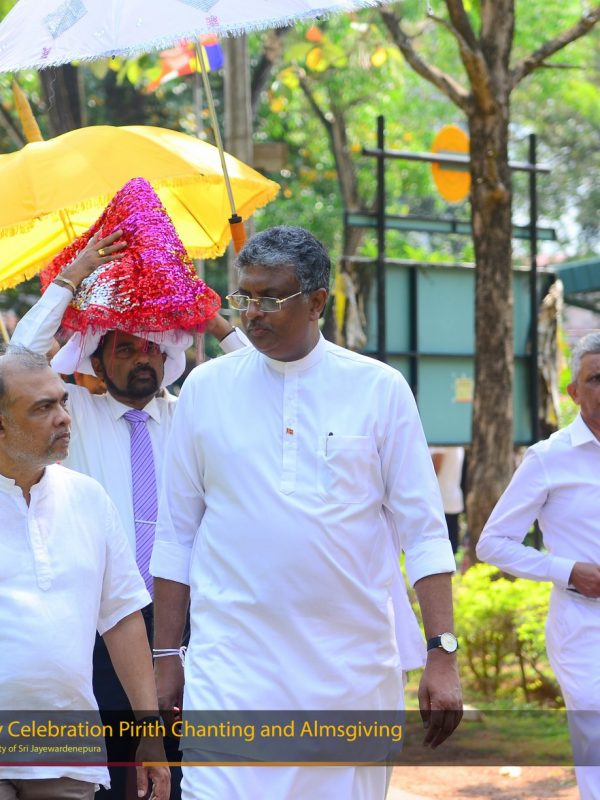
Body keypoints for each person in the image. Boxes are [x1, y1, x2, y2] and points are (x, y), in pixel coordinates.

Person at [151, 226, 463, 800]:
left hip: (349, 676)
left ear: (317, 301)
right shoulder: (206, 389)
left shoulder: (378, 389)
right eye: (245, 297)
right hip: (231, 673)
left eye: (271, 298)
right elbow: (176, 534)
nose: (252, 314)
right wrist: (166, 654)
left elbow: (423, 533)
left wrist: (441, 652)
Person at [11, 222, 243, 798]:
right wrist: (74, 275)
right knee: (110, 781)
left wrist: (210, 317)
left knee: (181, 777)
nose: (144, 359)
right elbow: (20, 358)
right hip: (99, 627)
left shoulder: (194, 416)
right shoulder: (70, 416)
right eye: (127, 347)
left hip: (182, 628)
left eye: (154, 348)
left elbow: (255, 376)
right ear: (97, 358)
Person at [0, 346, 170, 800]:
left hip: (67, 754)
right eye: (43, 408)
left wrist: (149, 729)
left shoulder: (88, 498)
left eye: (63, 401)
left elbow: (122, 618)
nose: (64, 417)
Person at [477, 331, 600, 800]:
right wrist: (567, 571)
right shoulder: (549, 458)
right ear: (573, 391)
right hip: (583, 629)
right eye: (596, 378)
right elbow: (492, 543)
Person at [429, 446, 465, 553]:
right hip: (449, 501)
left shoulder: (441, 444)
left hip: (441, 503)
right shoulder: (455, 442)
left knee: (439, 551)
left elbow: (433, 470)